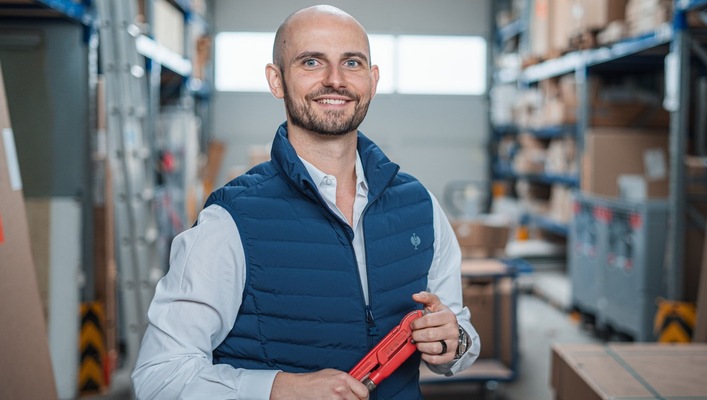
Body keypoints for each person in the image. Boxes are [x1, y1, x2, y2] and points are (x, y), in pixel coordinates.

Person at [132, 4, 480, 400]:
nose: (335, 80)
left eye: (352, 63)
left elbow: (457, 329)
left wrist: (455, 341)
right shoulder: (230, 221)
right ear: (276, 80)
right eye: (312, 62)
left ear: (373, 78)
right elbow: (160, 377)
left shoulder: (420, 206)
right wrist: (277, 388)